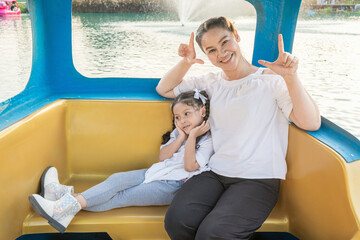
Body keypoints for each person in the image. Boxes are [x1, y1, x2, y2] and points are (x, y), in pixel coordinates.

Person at [156, 16, 321, 239]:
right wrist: (186, 62)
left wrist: (291, 77)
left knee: (213, 233)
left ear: (237, 36)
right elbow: (164, 89)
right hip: (215, 172)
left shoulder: (270, 80)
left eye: (225, 42)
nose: (221, 53)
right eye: (212, 50)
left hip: (258, 179)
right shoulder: (210, 82)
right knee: (177, 221)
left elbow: (311, 122)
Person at [28, 89, 214, 233]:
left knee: (122, 196)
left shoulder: (207, 141)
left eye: (187, 114)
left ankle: (62, 204)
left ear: (203, 111)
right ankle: (63, 200)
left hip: (172, 186)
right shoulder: (178, 133)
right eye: (178, 117)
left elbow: (190, 166)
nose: (181, 121)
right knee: (116, 180)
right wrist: (181, 138)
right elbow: (163, 157)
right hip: (155, 171)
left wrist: (192, 138)